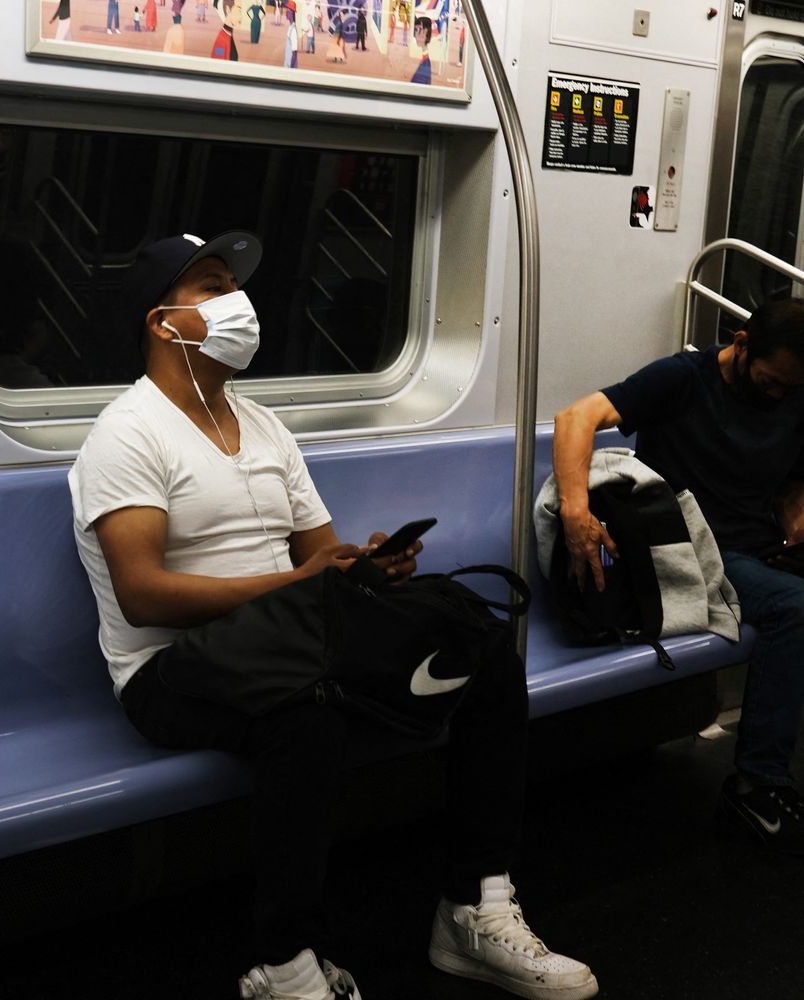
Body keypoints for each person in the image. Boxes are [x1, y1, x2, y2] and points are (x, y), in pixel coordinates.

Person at [70, 231, 599, 1000]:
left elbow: (322, 553)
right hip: (170, 670)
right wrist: (301, 584)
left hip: (282, 638)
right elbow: (143, 594)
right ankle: (286, 962)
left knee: (482, 650)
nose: (235, 303)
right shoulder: (127, 434)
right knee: (306, 713)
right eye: (211, 287)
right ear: (162, 323)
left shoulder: (263, 426)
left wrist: (364, 565)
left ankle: (473, 906)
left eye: (234, 285)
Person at [553, 298, 804, 855]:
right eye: (770, 383)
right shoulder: (683, 379)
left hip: (760, 544)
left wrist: (794, 513)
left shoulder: (793, 391)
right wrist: (576, 511)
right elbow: (577, 418)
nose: (779, 397)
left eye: (790, 390)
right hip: (695, 551)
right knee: (795, 607)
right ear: (741, 344)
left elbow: (792, 481)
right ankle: (757, 782)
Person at [410, 15, 433, 83]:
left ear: (425, 32)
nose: (415, 34)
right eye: (415, 30)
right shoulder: (424, 59)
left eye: (418, 30)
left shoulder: (425, 63)